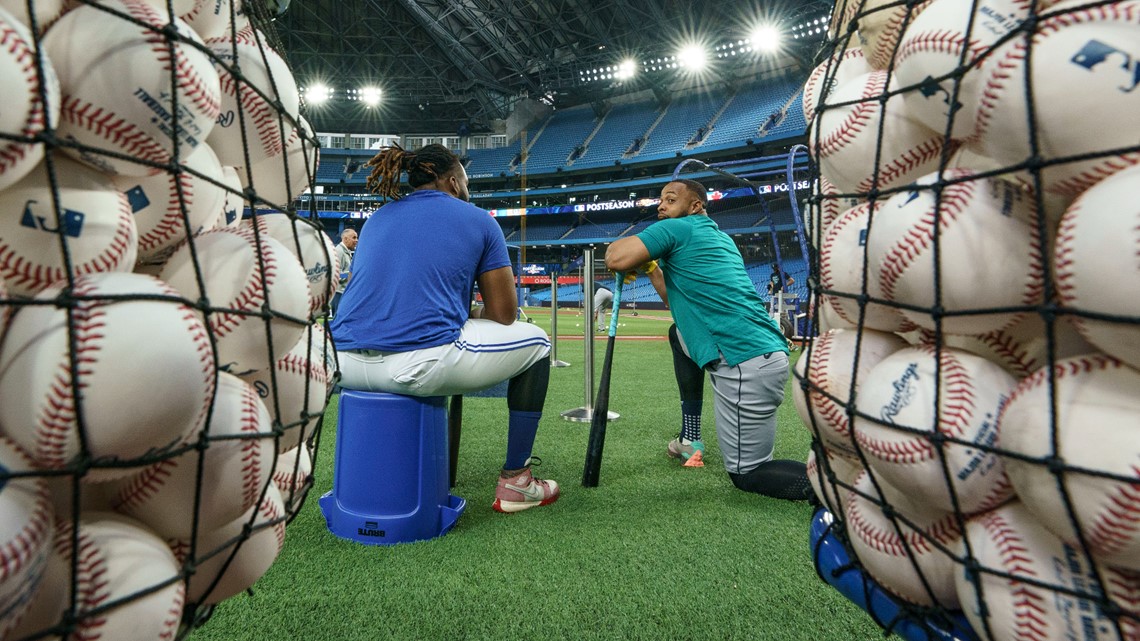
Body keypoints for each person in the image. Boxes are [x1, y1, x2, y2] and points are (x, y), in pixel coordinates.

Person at [331, 143, 559, 513]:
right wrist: (469, 313)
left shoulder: (376, 220)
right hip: (417, 365)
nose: (468, 189)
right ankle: (518, 481)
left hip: (343, 364)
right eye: (465, 182)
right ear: (453, 181)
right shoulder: (479, 219)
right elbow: (505, 312)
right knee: (538, 342)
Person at [605, 178, 811, 501]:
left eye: (670, 200)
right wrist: (651, 267)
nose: (661, 206)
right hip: (767, 355)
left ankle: (840, 490)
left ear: (695, 206)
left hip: (744, 364)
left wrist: (635, 255)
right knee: (678, 335)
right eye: (660, 200)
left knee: (748, 474)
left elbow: (614, 256)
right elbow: (678, 305)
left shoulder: (676, 230)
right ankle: (690, 437)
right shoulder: (720, 239)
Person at [330, 228, 357, 317]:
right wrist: (351, 274)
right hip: (338, 293)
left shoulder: (345, 251)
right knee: (338, 319)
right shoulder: (339, 251)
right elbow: (335, 274)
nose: (356, 240)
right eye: (354, 237)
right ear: (345, 239)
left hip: (342, 292)